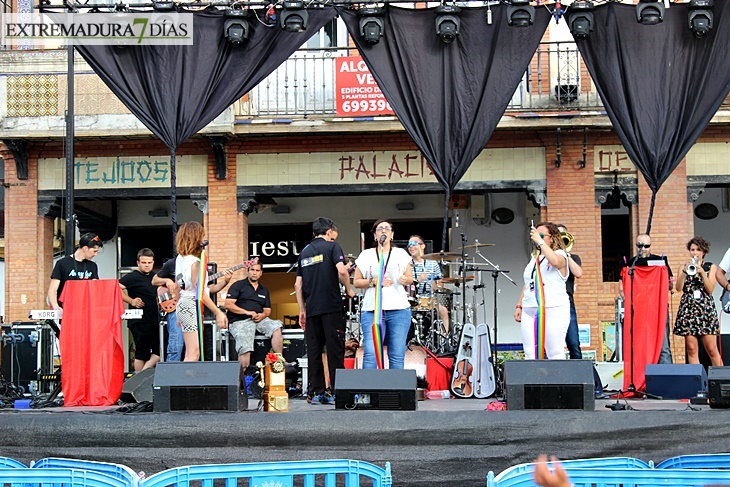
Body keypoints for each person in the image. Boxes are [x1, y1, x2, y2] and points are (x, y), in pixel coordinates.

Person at [295, 217, 353, 404]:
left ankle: (316, 391)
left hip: (311, 309)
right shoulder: (332, 247)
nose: (333, 239)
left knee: (314, 351)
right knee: (335, 350)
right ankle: (338, 391)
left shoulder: (304, 252)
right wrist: (349, 289)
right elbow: (342, 271)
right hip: (331, 307)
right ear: (329, 232)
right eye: (333, 236)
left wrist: (302, 309)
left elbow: (298, 284)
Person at [353, 219, 413, 369]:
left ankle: (395, 391)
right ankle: (370, 391)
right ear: (375, 235)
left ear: (392, 235)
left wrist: (406, 280)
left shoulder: (401, 254)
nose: (384, 231)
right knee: (371, 353)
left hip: (398, 309)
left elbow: (410, 278)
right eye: (380, 229)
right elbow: (357, 282)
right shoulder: (366, 255)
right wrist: (374, 281)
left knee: (397, 354)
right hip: (372, 310)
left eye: (387, 228)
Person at [152, 257, 233, 361]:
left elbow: (209, 289)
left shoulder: (190, 262)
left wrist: (225, 281)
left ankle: (183, 374)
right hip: (186, 304)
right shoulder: (180, 262)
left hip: (186, 305)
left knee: (191, 351)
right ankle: (173, 371)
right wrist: (167, 280)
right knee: (180, 345)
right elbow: (155, 280)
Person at [514, 222, 570, 360]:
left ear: (552, 238)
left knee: (554, 351)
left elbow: (556, 262)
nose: (537, 238)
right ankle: (534, 380)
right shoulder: (535, 258)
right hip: (530, 307)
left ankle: (557, 381)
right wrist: (519, 305)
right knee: (530, 352)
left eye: (542, 235)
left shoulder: (560, 254)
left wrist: (540, 242)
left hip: (553, 307)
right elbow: (528, 283)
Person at [174, 222, 228, 361]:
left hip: (183, 303)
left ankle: (186, 381)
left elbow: (176, 287)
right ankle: (184, 382)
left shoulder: (180, 259)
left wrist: (178, 312)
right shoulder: (195, 263)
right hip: (191, 303)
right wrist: (218, 312)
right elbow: (200, 292)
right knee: (194, 352)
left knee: (190, 352)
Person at [625, 233, 674, 364]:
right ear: (636, 246)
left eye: (647, 245)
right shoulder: (630, 264)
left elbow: (670, 285)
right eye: (640, 245)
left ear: (651, 246)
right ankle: (642, 380)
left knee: (663, 345)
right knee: (640, 346)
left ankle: (667, 379)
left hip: (658, 309)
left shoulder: (660, 261)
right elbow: (622, 286)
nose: (643, 248)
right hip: (639, 310)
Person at [225, 262, 283, 372]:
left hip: (259, 320)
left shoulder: (264, 289)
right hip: (239, 321)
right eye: (252, 270)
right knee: (245, 346)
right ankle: (244, 380)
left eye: (257, 270)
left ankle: (279, 362)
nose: (254, 273)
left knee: (276, 326)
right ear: (247, 271)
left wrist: (263, 315)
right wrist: (247, 312)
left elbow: (267, 310)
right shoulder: (238, 285)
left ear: (261, 273)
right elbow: (228, 304)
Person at [674, 237, 723, 366]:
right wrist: (684, 272)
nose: (695, 253)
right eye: (692, 250)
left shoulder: (710, 267)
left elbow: (710, 289)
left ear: (704, 252)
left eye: (698, 250)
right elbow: (678, 288)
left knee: (712, 349)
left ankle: (721, 381)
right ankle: (697, 381)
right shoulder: (683, 267)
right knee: (691, 349)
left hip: (705, 309)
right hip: (688, 308)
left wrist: (702, 273)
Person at [119, 248, 160, 372]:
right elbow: (115, 289)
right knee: (142, 353)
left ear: (153, 262)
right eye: (144, 262)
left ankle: (142, 375)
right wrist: (131, 301)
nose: (147, 265)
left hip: (156, 320)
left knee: (159, 351)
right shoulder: (132, 277)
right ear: (138, 263)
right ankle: (139, 378)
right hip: (140, 321)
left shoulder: (155, 277)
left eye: (149, 262)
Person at [407, 235, 450, 334]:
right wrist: (418, 280)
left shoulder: (432, 263)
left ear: (423, 246)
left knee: (443, 311)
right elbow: (403, 282)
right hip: (411, 300)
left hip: (430, 300)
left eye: (413, 244)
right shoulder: (406, 262)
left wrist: (435, 285)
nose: (410, 247)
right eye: (409, 244)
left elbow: (440, 283)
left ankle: (443, 340)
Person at [47, 232, 102, 310]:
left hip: (86, 310)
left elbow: (95, 289)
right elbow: (52, 290)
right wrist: (56, 307)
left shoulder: (92, 266)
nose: (95, 254)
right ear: (85, 248)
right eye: (94, 251)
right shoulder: (62, 264)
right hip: (66, 309)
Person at [556, 224, 583, 360]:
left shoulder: (574, 257)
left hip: (567, 304)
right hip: (550, 304)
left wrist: (566, 254)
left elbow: (578, 273)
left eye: (563, 236)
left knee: (573, 344)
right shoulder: (549, 258)